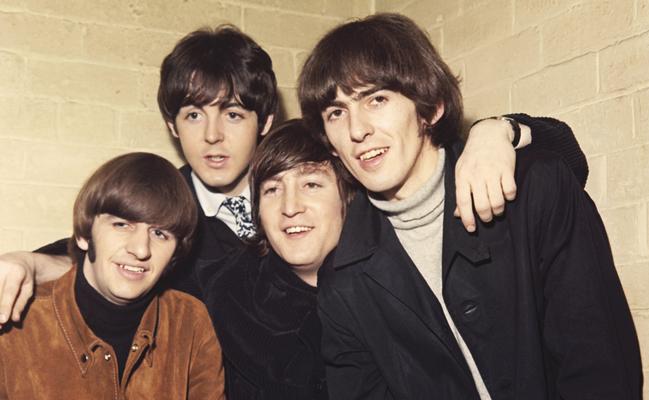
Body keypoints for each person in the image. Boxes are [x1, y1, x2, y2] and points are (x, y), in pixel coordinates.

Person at [0, 23, 588, 324]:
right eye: (192, 114)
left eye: (232, 114)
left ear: (266, 119)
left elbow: (537, 159)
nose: (212, 135)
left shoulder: (334, 176)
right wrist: (27, 262)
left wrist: (500, 128)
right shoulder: (160, 217)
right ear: (172, 126)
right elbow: (95, 256)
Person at [298, 13, 649, 400]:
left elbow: (602, 398)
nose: (356, 130)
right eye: (336, 112)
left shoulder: (535, 193)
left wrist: (502, 129)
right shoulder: (343, 280)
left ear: (431, 107)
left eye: (376, 99)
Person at [0, 153, 228, 400]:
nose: (140, 249)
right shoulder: (19, 320)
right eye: (122, 225)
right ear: (84, 234)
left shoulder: (190, 324)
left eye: (160, 234)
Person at [197, 119, 356, 400]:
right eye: (271, 190)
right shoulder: (225, 288)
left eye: (311, 185)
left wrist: (501, 132)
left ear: (347, 196)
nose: (289, 207)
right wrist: (38, 263)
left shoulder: (384, 293)